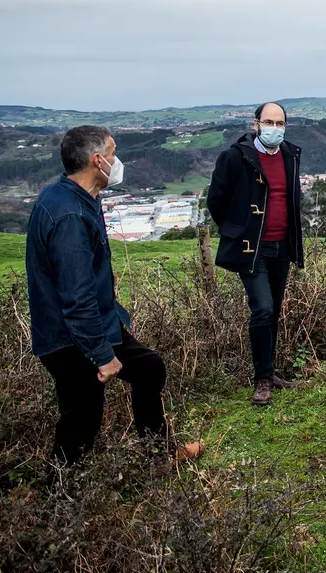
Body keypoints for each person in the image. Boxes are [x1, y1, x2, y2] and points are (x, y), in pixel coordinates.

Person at [27, 126, 203, 472]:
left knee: (149, 369)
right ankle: (56, 503)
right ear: (97, 160)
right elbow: (77, 299)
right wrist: (102, 356)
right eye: (112, 153)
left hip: (96, 326)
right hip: (74, 339)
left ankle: (160, 454)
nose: (116, 161)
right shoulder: (70, 217)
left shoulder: (73, 198)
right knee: (82, 422)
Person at [207, 102, 304, 406]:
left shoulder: (290, 155)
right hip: (253, 249)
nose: (274, 127)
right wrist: (238, 230)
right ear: (256, 123)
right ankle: (262, 379)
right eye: (268, 122)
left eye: (279, 122)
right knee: (261, 308)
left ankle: (270, 372)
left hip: (281, 245)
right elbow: (216, 201)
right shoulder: (236, 157)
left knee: (273, 309)